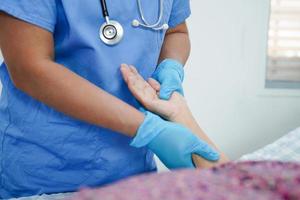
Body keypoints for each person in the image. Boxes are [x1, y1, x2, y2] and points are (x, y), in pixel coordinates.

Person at [0, 0, 219, 198]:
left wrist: (171, 66)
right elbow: (29, 69)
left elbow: (177, 32)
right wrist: (148, 130)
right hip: (47, 171)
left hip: (134, 174)